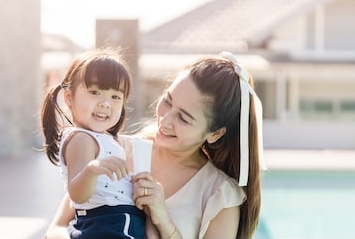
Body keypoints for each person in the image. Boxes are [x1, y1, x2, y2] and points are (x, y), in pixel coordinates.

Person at [44, 52, 266, 239]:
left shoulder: (219, 196)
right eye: (168, 101)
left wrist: (163, 220)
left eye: (184, 118)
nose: (165, 119)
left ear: (215, 133)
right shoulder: (118, 150)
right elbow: (58, 226)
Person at [40, 48, 150, 239]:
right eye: (95, 92)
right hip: (106, 223)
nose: (105, 103)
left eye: (115, 96)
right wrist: (92, 169)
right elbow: (77, 195)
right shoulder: (82, 139)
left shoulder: (104, 138)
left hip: (117, 221)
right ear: (69, 97)